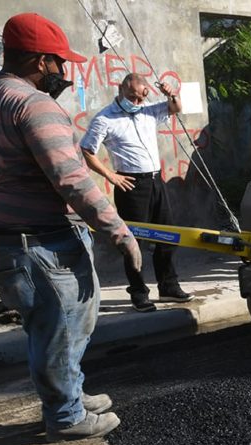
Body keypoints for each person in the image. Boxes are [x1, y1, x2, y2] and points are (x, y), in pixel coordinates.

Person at [0, 13, 142, 441]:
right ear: (39, 61)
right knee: (62, 327)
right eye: (59, 62)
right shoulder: (34, 104)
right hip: (44, 242)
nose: (63, 72)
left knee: (50, 328)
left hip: (9, 240)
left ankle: (67, 394)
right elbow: (71, 177)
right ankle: (66, 415)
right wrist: (118, 231)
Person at [81, 72, 193, 313]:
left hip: (156, 181)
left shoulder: (148, 111)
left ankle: (168, 285)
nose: (136, 103)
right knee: (133, 241)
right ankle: (139, 292)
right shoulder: (105, 118)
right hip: (132, 185)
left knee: (168, 235)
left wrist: (170, 93)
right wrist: (110, 175)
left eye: (141, 98)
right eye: (132, 97)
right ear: (121, 90)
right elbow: (87, 150)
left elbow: (176, 108)